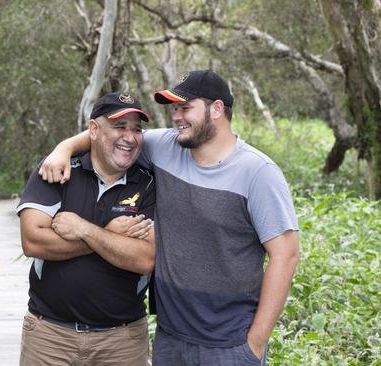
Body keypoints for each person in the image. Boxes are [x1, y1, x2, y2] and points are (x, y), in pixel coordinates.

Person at [38, 70, 300, 366]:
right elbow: (109, 132)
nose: (176, 117)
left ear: (216, 109)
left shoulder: (258, 172)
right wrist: (65, 148)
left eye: (185, 108)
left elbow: (286, 256)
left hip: (230, 344)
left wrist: (255, 342)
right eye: (174, 109)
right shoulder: (165, 147)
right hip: (170, 339)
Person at [17, 92, 157, 365]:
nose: (130, 137)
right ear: (93, 129)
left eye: (136, 129)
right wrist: (112, 236)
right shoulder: (58, 168)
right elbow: (34, 242)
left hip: (122, 342)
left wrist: (86, 230)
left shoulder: (148, 183)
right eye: (119, 126)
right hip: (50, 336)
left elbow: (144, 258)